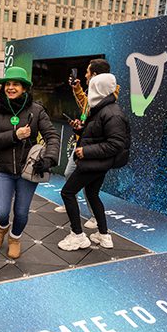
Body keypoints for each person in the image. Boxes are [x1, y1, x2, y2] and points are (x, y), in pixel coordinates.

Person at [0, 66, 59, 259]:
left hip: (28, 171)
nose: (11, 87)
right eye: (8, 84)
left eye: (16, 84)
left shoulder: (37, 110)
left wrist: (49, 158)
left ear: (24, 88)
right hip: (4, 169)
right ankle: (2, 228)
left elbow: (52, 136)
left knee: (22, 212)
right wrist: (14, 135)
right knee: (0, 211)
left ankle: (15, 238)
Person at [58, 73, 130, 251]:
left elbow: (116, 144)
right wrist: (81, 129)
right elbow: (99, 134)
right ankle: (104, 235)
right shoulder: (102, 110)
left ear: (99, 90)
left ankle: (77, 236)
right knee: (92, 194)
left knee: (68, 193)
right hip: (97, 162)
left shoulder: (112, 113)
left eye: (92, 88)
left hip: (94, 162)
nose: (88, 91)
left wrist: (86, 151)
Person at [53, 59, 110, 232]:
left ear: (94, 75)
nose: (84, 75)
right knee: (69, 173)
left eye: (87, 72)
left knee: (90, 189)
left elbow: (102, 129)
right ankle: (71, 204)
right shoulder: (93, 95)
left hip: (93, 152)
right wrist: (81, 127)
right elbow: (86, 108)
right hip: (82, 145)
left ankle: (95, 218)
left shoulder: (107, 99)